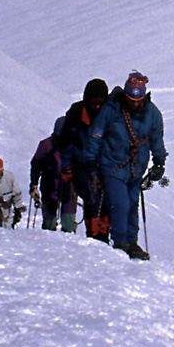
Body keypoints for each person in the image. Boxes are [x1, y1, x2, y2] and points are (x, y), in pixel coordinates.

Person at [85, 70, 167, 259]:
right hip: (113, 166)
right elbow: (96, 136)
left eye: (138, 100)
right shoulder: (111, 110)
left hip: (136, 169)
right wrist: (90, 162)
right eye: (131, 99)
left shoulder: (152, 114)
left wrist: (159, 162)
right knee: (121, 204)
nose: (134, 104)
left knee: (132, 204)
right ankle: (121, 241)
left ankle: (131, 241)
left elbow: (157, 139)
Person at [56, 78, 111, 241]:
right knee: (92, 198)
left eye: (100, 103)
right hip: (80, 164)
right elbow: (66, 145)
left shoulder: (109, 114)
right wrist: (67, 169)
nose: (97, 107)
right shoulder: (75, 115)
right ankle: (94, 235)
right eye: (93, 103)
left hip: (103, 164)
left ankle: (104, 233)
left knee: (107, 201)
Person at [29, 131, 77, 232]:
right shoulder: (46, 145)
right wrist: (34, 185)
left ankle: (67, 239)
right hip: (50, 188)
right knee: (49, 223)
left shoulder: (75, 144)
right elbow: (36, 165)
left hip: (68, 188)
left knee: (69, 224)